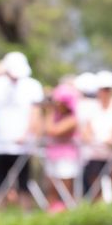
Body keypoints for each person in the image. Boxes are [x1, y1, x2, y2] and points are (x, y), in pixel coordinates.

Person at [0, 52, 44, 207]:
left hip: (23, 147)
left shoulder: (32, 86)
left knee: (24, 186)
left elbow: (36, 114)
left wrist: (27, 134)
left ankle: (26, 220)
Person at [81, 71, 112, 201]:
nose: (105, 92)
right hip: (95, 154)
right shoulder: (91, 107)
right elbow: (86, 129)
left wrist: (111, 137)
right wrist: (93, 140)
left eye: (108, 89)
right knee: (94, 188)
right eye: (103, 89)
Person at [43, 83, 80, 211]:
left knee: (65, 191)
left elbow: (52, 130)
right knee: (51, 189)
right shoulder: (55, 116)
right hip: (52, 157)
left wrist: (49, 111)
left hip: (66, 158)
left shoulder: (72, 119)